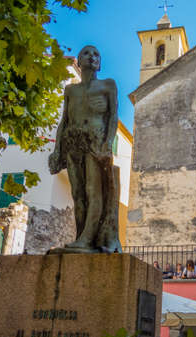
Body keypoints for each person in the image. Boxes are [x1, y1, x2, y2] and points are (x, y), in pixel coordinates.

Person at [49, 45, 120, 253]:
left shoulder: (108, 85)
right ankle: (81, 237)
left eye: (96, 54)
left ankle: (88, 239)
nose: (92, 57)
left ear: (100, 62)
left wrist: (108, 143)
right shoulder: (71, 90)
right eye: (86, 53)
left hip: (95, 141)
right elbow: (65, 120)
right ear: (78, 62)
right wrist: (57, 149)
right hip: (73, 142)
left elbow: (113, 117)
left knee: (93, 190)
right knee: (77, 193)